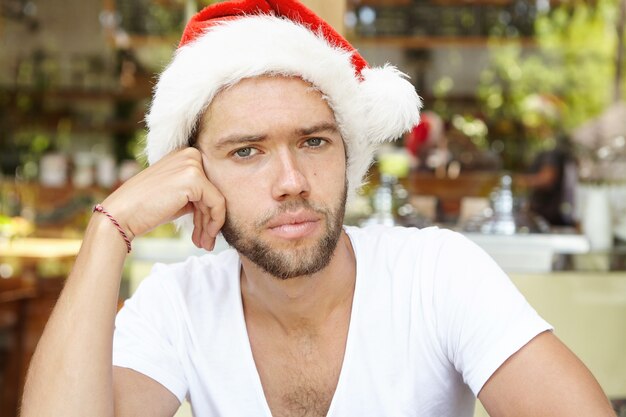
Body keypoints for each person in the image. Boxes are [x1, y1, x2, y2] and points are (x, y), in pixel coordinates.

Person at [21, 1, 614, 417]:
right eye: (247, 151)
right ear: (195, 177)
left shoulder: (436, 274)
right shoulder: (178, 303)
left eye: (313, 141)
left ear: (347, 155)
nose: (291, 181)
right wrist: (109, 230)